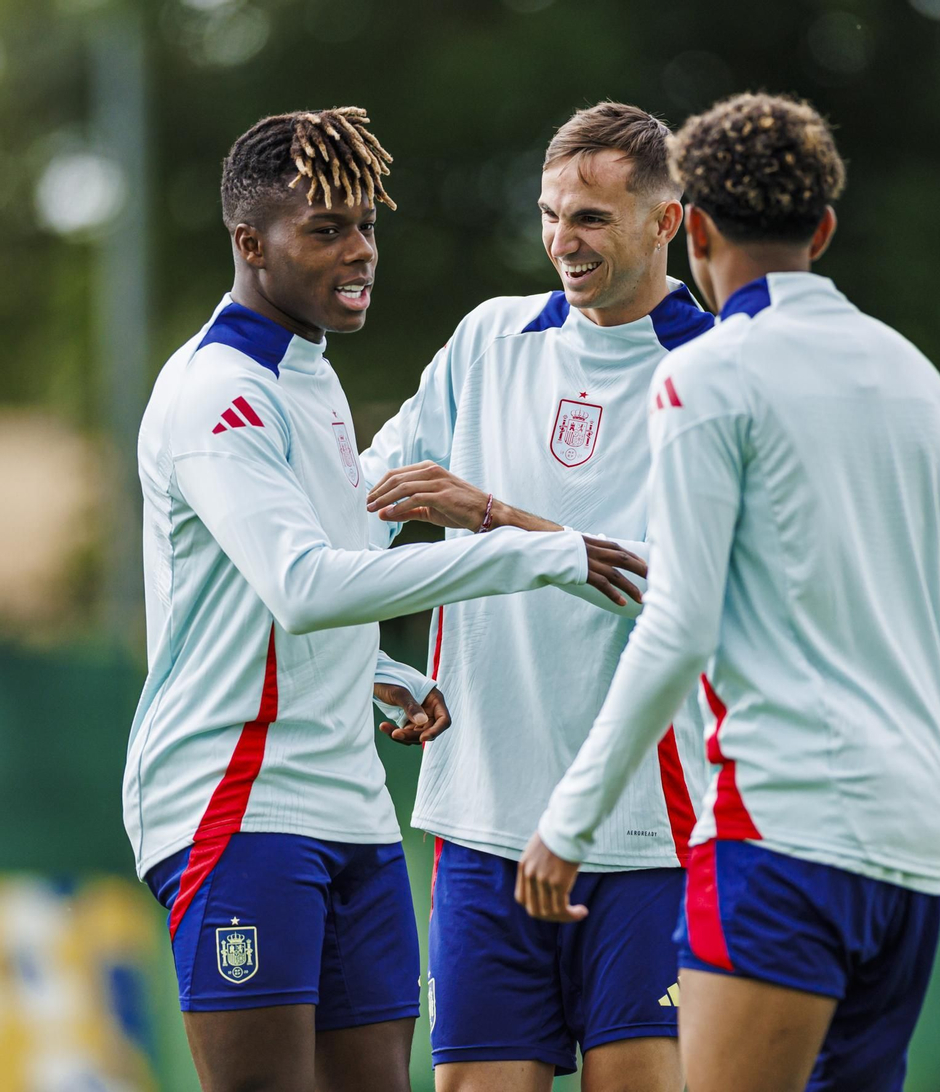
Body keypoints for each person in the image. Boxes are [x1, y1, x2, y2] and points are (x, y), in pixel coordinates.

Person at [125, 107, 643, 1092]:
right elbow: (305, 587)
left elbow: (299, 582)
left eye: (365, 224)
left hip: (354, 808)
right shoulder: (215, 395)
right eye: (326, 230)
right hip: (238, 806)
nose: (361, 251)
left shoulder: (309, 376)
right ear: (250, 245)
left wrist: (380, 672)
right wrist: (531, 549)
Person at [518, 92, 940, 1092]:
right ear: (823, 229)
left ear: (700, 230)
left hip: (777, 829)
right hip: (916, 840)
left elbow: (675, 623)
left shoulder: (705, 375)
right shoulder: (917, 381)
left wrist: (568, 821)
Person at [358, 102, 712, 1092]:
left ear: (665, 223)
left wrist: (494, 516)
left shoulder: (716, 372)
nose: (564, 240)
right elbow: (370, 499)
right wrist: (355, 656)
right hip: (481, 816)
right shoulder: (489, 340)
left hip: (651, 833)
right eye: (552, 214)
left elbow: (676, 592)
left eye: (593, 218)